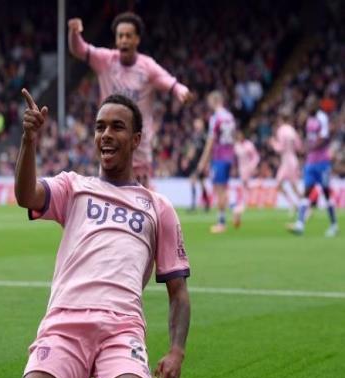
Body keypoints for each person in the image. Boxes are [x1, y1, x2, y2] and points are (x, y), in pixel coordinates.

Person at [9, 89, 191, 378]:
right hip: (66, 324)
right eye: (100, 127)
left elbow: (178, 292)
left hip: (121, 329)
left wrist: (177, 352)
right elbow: (26, 195)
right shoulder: (73, 186)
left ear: (136, 139)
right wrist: (28, 141)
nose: (106, 134)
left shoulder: (159, 208)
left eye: (117, 127)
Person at [68, 12, 191, 187]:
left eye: (128, 36)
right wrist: (74, 32)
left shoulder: (147, 66)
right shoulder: (105, 60)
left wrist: (180, 91)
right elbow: (79, 49)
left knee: (139, 194)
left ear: (137, 39)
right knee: (110, 191)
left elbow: (169, 82)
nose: (124, 40)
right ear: (116, 40)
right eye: (120, 36)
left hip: (138, 147)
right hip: (110, 141)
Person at [287, 98, 338, 237]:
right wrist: (305, 147)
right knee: (306, 192)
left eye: (310, 106)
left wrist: (310, 148)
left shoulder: (322, 118)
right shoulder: (309, 120)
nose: (308, 108)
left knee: (326, 194)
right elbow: (310, 138)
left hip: (322, 162)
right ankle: (300, 224)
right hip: (311, 162)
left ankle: (334, 225)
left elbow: (324, 138)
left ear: (316, 106)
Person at [197, 91, 236, 233]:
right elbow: (233, 137)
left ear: (215, 101)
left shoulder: (216, 118)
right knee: (223, 188)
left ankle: (222, 222)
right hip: (229, 156)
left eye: (210, 102)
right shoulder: (230, 117)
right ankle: (234, 206)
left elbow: (211, 141)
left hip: (219, 157)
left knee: (219, 189)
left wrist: (203, 161)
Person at [268, 113, 302, 213]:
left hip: (287, 161)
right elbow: (299, 146)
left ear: (281, 120)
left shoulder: (281, 130)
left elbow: (280, 148)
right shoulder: (292, 130)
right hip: (292, 160)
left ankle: (303, 206)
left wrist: (273, 143)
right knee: (289, 185)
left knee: (285, 185)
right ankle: (294, 205)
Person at [233, 129, 259, 227]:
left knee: (245, 187)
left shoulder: (249, 145)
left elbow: (256, 157)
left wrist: (252, 166)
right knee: (245, 187)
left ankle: (240, 209)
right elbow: (235, 159)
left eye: (240, 135)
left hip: (248, 168)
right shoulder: (236, 146)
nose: (239, 137)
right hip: (241, 169)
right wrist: (234, 168)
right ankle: (242, 206)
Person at [187, 118, 210, 212]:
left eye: (198, 124)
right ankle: (206, 203)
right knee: (200, 183)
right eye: (195, 124)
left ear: (202, 125)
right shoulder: (194, 136)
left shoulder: (204, 136)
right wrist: (188, 157)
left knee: (197, 182)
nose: (196, 125)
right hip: (194, 163)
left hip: (201, 163)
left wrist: (206, 163)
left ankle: (195, 205)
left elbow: (208, 150)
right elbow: (192, 148)